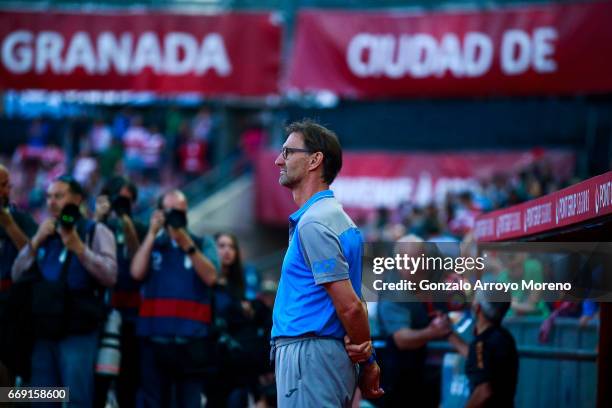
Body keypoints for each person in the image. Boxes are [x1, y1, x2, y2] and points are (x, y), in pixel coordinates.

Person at [271, 119, 383, 407]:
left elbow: (350, 306)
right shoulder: (337, 220)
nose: (277, 161)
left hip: (309, 355)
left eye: (287, 152)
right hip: (321, 356)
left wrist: (369, 362)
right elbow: (354, 302)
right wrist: (366, 360)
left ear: (314, 160)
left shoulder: (314, 223)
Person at [11, 175, 117, 406]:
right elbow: (16, 274)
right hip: (44, 332)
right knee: (41, 399)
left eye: (59, 196)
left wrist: (80, 249)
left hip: (78, 332)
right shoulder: (45, 233)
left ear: (77, 199)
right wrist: (37, 240)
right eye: (49, 197)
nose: (52, 202)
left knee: (77, 398)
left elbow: (110, 276)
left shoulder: (95, 231)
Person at [131, 190, 219, 407]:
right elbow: (136, 273)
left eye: (179, 212)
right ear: (159, 212)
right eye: (170, 212)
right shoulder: (153, 244)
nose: (175, 217)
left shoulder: (201, 243)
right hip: (154, 340)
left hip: (191, 341)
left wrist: (185, 243)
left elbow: (211, 277)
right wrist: (152, 234)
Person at [372, 235, 452, 407]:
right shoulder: (394, 293)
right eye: (415, 261)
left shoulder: (422, 285)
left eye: (424, 259)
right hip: (398, 383)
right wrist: (433, 332)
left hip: (419, 379)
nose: (422, 266)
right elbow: (401, 339)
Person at [93, 176, 147, 408]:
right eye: (118, 199)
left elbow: (139, 267)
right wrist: (99, 217)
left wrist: (127, 225)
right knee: (96, 378)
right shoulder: (95, 226)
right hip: (98, 312)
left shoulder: (141, 227)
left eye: (127, 200)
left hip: (132, 314)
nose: (122, 204)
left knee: (128, 379)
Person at [0, 164, 38, 384]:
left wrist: (9, 226)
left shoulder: (21, 219)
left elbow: (35, 257)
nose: (6, 192)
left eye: (8, 185)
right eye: (1, 186)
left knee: (25, 382)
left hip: (16, 314)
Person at [448, 290, 519, 408]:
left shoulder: (482, 343)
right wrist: (449, 334)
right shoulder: (504, 337)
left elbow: (483, 391)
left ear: (478, 308)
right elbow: (479, 360)